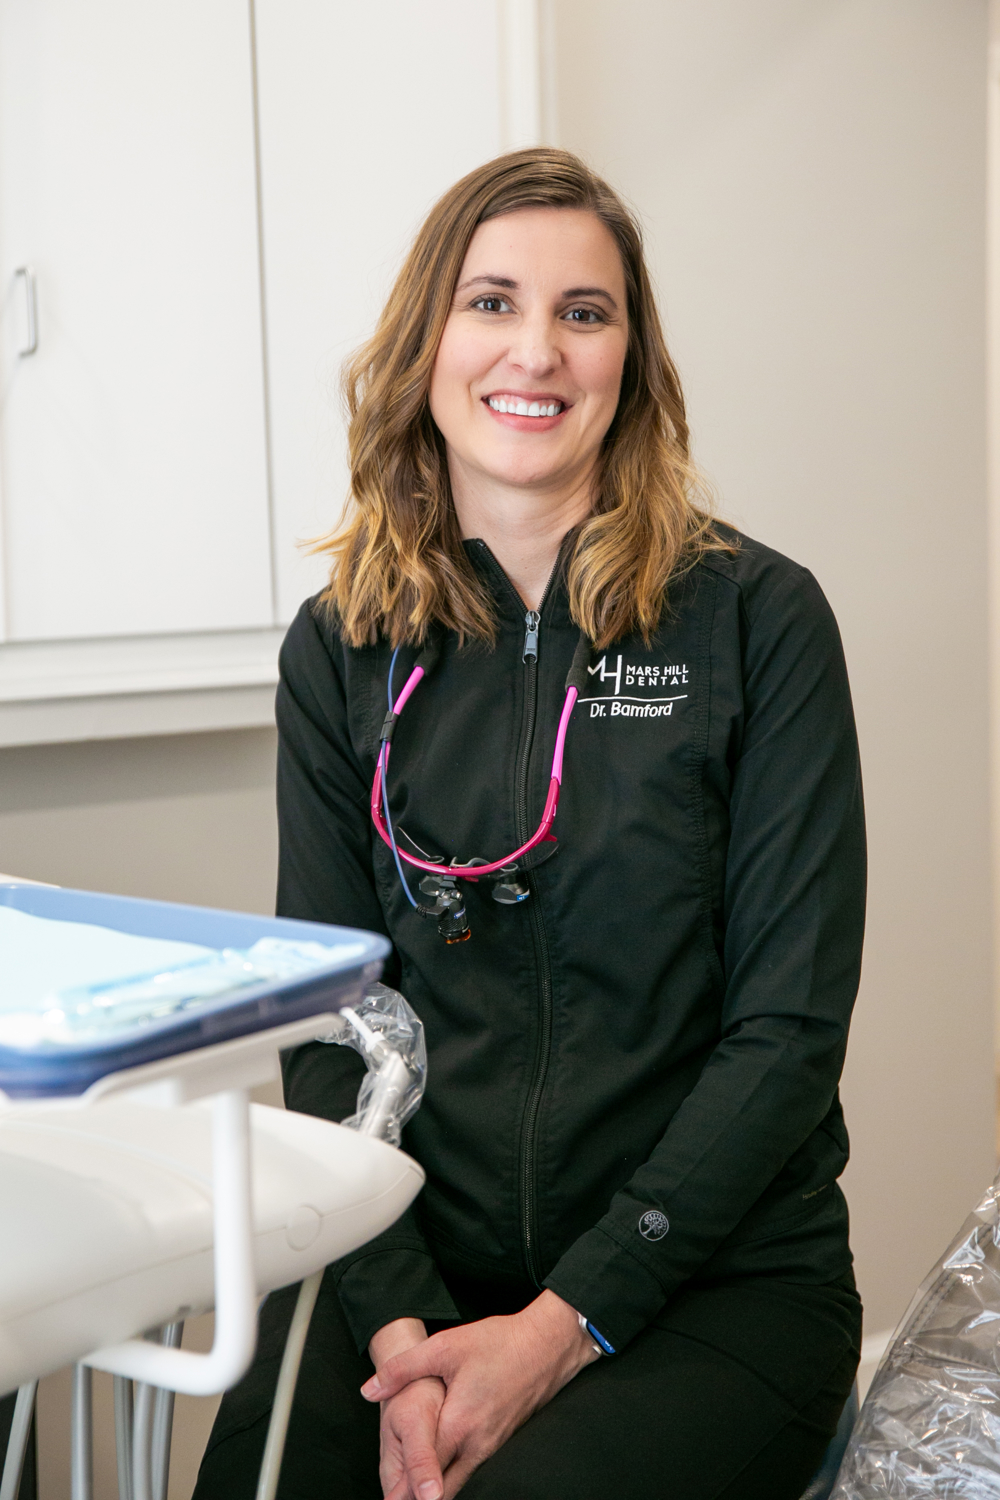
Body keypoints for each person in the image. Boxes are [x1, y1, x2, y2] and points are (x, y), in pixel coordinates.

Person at [194, 147, 865, 1500]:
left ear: (632, 360)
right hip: (411, 1272)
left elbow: (785, 1038)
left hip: (707, 1289)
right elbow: (332, 1026)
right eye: (492, 302)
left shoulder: (757, 621)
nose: (538, 353)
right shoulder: (341, 650)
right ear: (427, 343)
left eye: (585, 312)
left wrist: (560, 1330)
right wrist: (401, 1327)